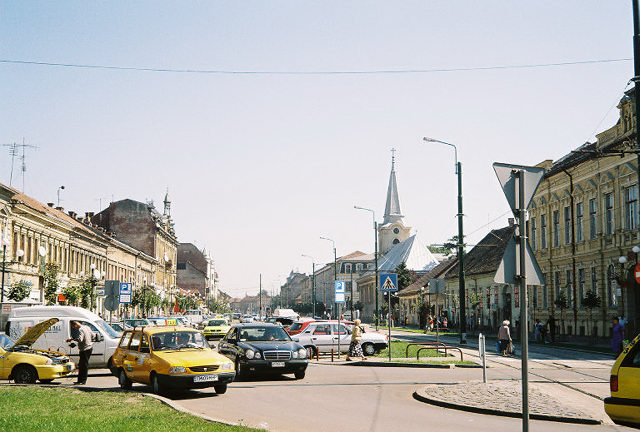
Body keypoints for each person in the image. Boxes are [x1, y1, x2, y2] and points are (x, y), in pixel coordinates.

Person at [66, 321, 94, 385]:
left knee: (83, 366)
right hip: (89, 348)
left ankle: (83, 381)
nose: (74, 329)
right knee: (82, 365)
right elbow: (93, 335)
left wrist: (72, 339)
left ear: (76, 325)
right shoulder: (87, 327)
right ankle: (80, 380)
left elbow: (80, 339)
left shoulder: (80, 329)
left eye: (74, 327)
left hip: (84, 349)